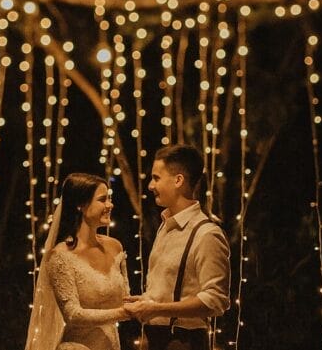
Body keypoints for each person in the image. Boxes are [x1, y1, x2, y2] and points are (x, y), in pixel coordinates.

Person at [124, 144, 230, 350]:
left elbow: (216, 300)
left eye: (156, 178)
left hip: (183, 341)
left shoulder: (206, 233)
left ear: (178, 180)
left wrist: (158, 308)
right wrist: (147, 301)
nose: (150, 186)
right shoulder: (165, 226)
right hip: (153, 339)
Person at [25, 173, 131, 350]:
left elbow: (125, 299)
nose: (109, 205)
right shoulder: (60, 256)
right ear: (81, 205)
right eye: (102, 199)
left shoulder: (115, 247)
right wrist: (122, 313)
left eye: (109, 199)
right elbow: (73, 315)